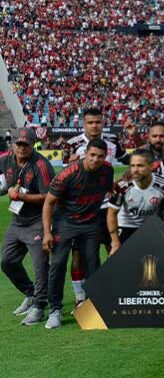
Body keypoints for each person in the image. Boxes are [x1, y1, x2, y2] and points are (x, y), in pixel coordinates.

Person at [42, 139, 114, 329]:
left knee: (92, 263)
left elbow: (111, 190)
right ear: (85, 154)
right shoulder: (68, 174)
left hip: (90, 222)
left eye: (100, 156)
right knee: (57, 264)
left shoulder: (107, 170)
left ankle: (92, 307)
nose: (96, 159)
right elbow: (49, 202)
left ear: (105, 157)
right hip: (65, 222)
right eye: (92, 155)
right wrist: (46, 233)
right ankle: (55, 310)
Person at [0, 128, 55, 326]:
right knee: (7, 261)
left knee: (40, 266)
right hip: (17, 220)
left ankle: (39, 306)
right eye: (18, 144)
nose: (21, 148)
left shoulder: (41, 165)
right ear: (12, 144)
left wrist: (21, 196)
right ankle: (31, 294)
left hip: (37, 221)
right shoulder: (6, 159)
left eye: (26, 144)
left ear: (33, 145)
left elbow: (49, 196)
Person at [106, 149, 164, 254]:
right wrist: (115, 242)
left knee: (152, 264)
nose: (134, 170)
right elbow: (111, 214)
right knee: (119, 264)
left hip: (151, 227)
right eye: (132, 166)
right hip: (126, 226)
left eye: (140, 166)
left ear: (152, 166)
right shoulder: (122, 186)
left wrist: (163, 237)